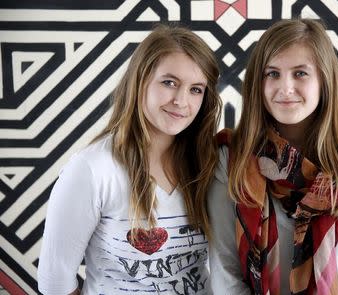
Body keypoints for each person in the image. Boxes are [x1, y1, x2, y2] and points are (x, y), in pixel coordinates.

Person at [208, 18, 338, 294]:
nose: (285, 87)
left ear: (324, 80)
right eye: (272, 74)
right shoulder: (232, 160)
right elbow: (225, 274)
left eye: (300, 73)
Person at [38, 24, 222, 295]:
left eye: (196, 89)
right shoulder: (92, 170)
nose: (182, 101)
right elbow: (55, 282)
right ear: (140, 80)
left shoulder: (210, 163)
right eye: (169, 82)